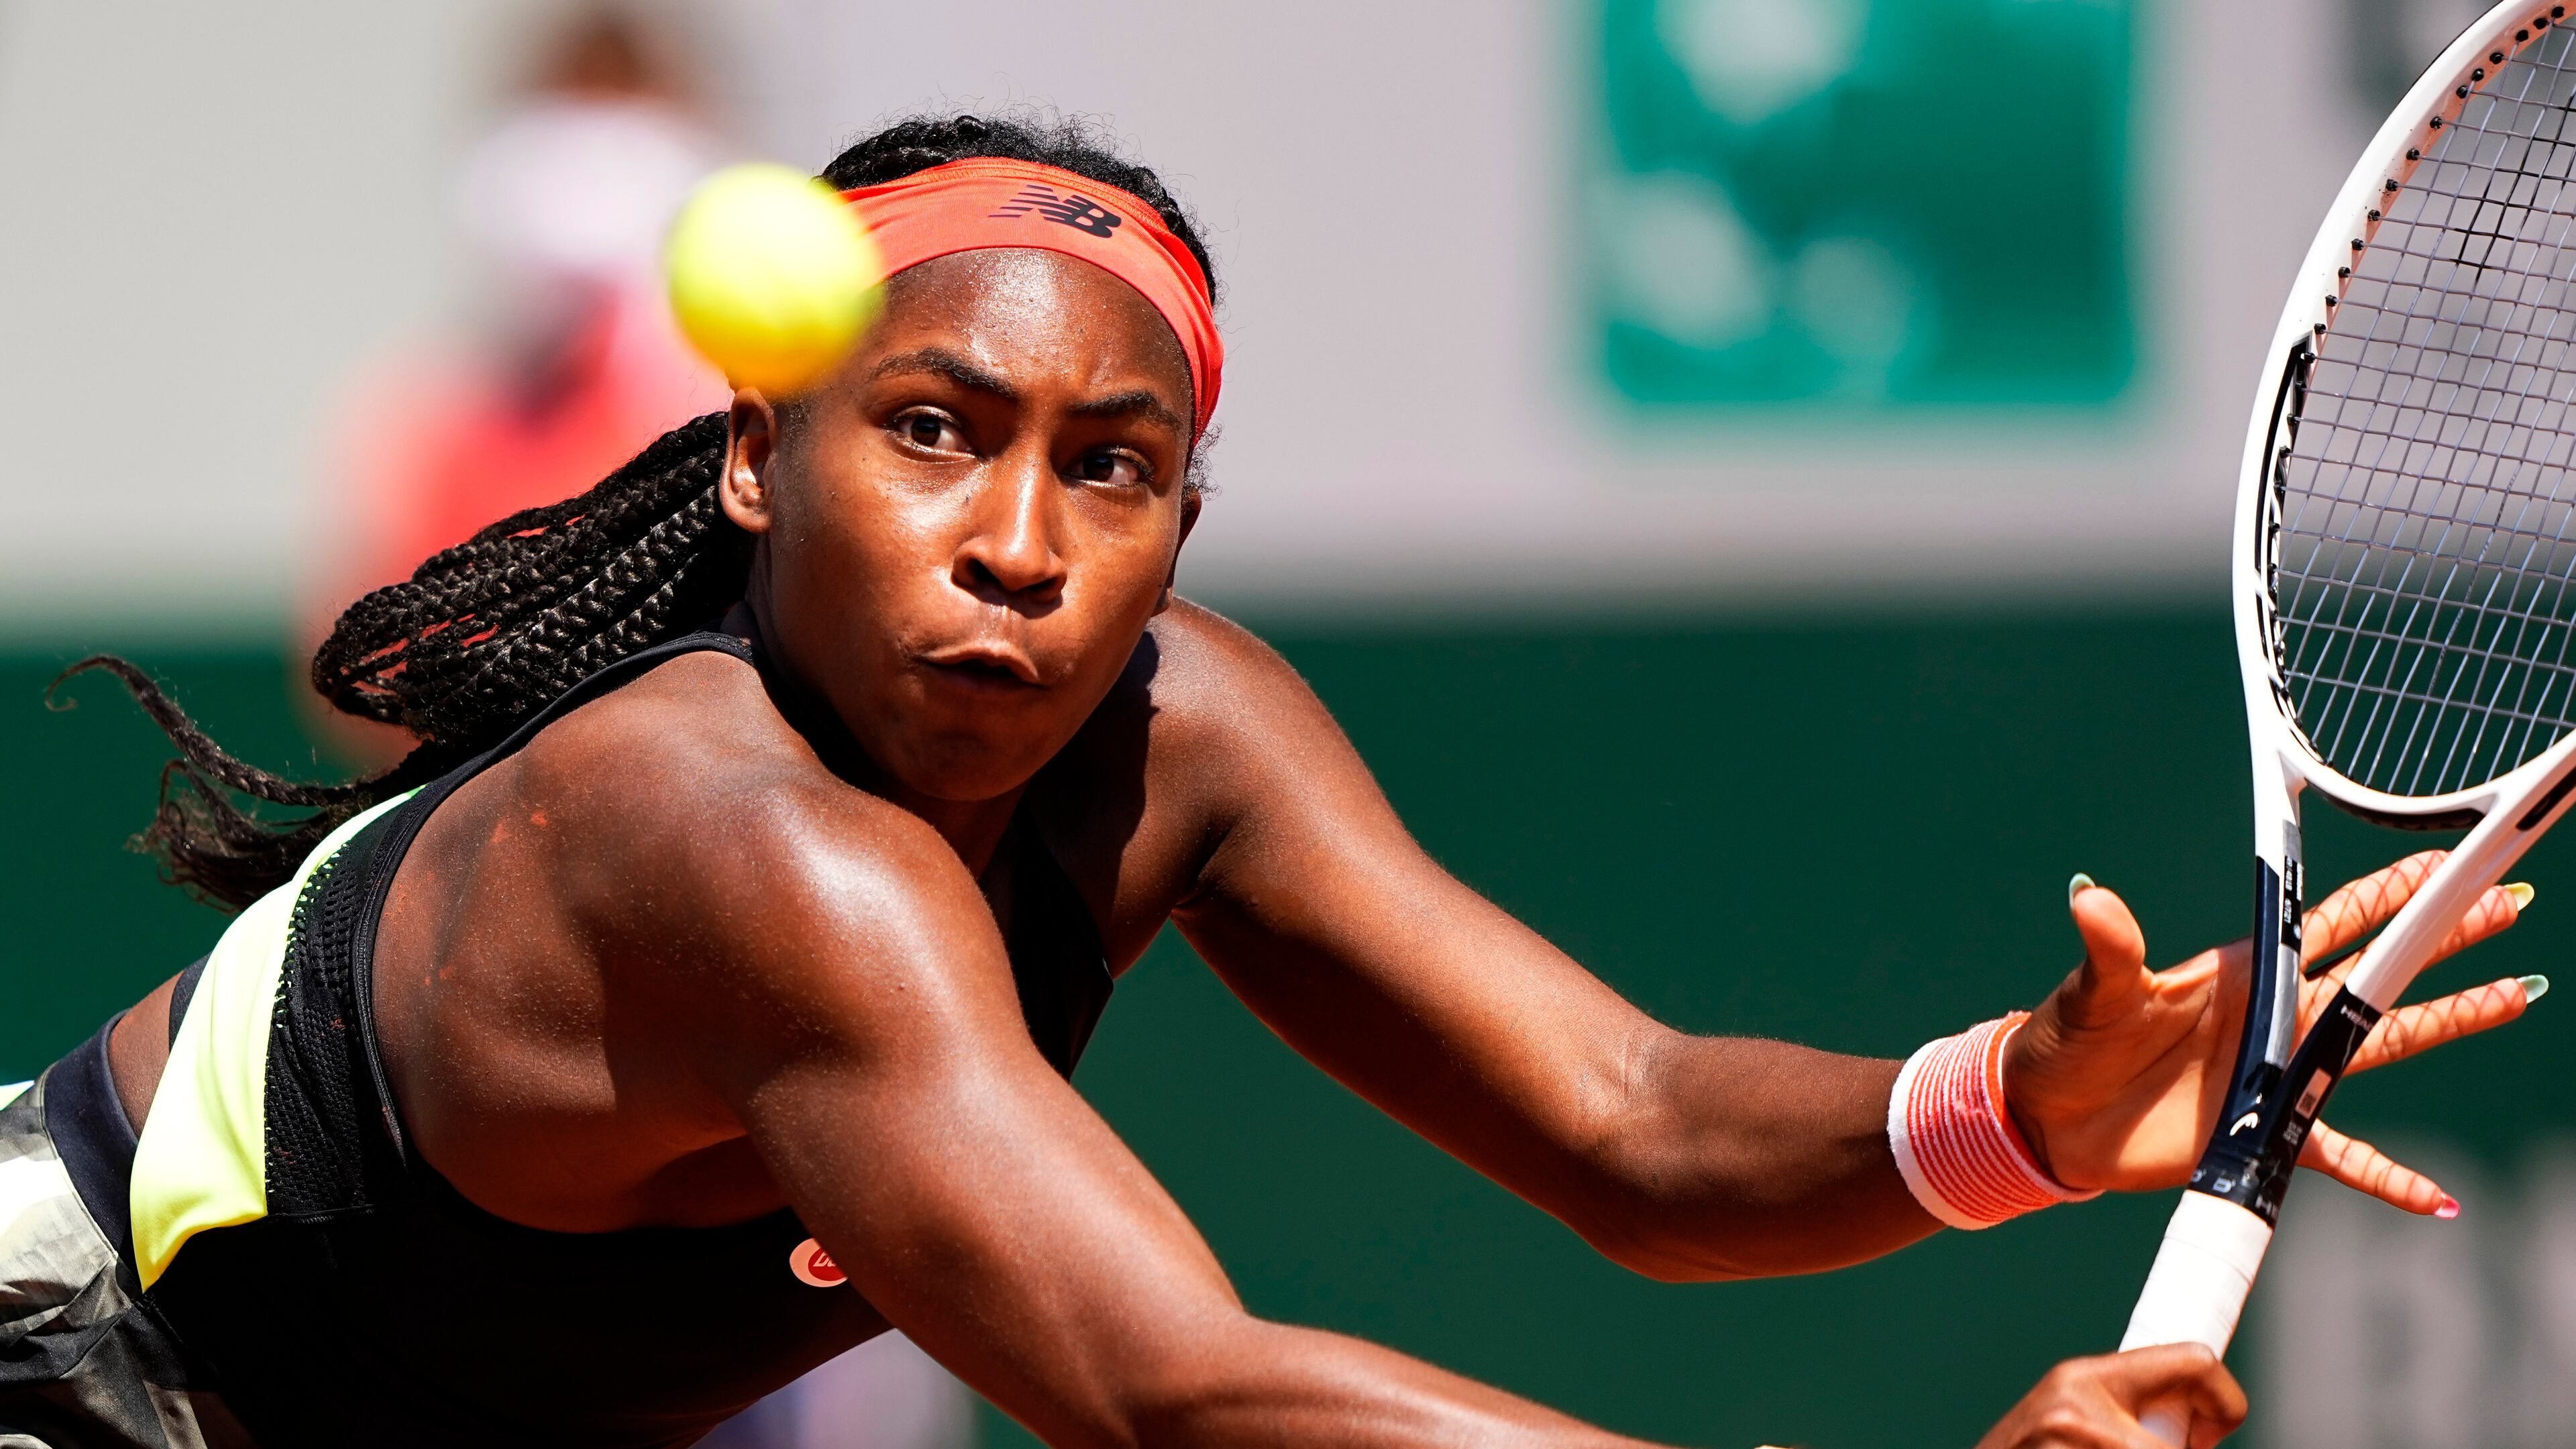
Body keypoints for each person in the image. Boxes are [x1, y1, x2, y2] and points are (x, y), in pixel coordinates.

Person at [0, 114, 2540, 1449]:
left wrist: (2003, 1112)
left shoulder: (1178, 732)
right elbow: (1173, 1391)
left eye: (1108, 469)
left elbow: (1636, 1127)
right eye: (930, 432)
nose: (1016, 542)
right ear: (763, 466)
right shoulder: (729, 839)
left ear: (1179, 525)